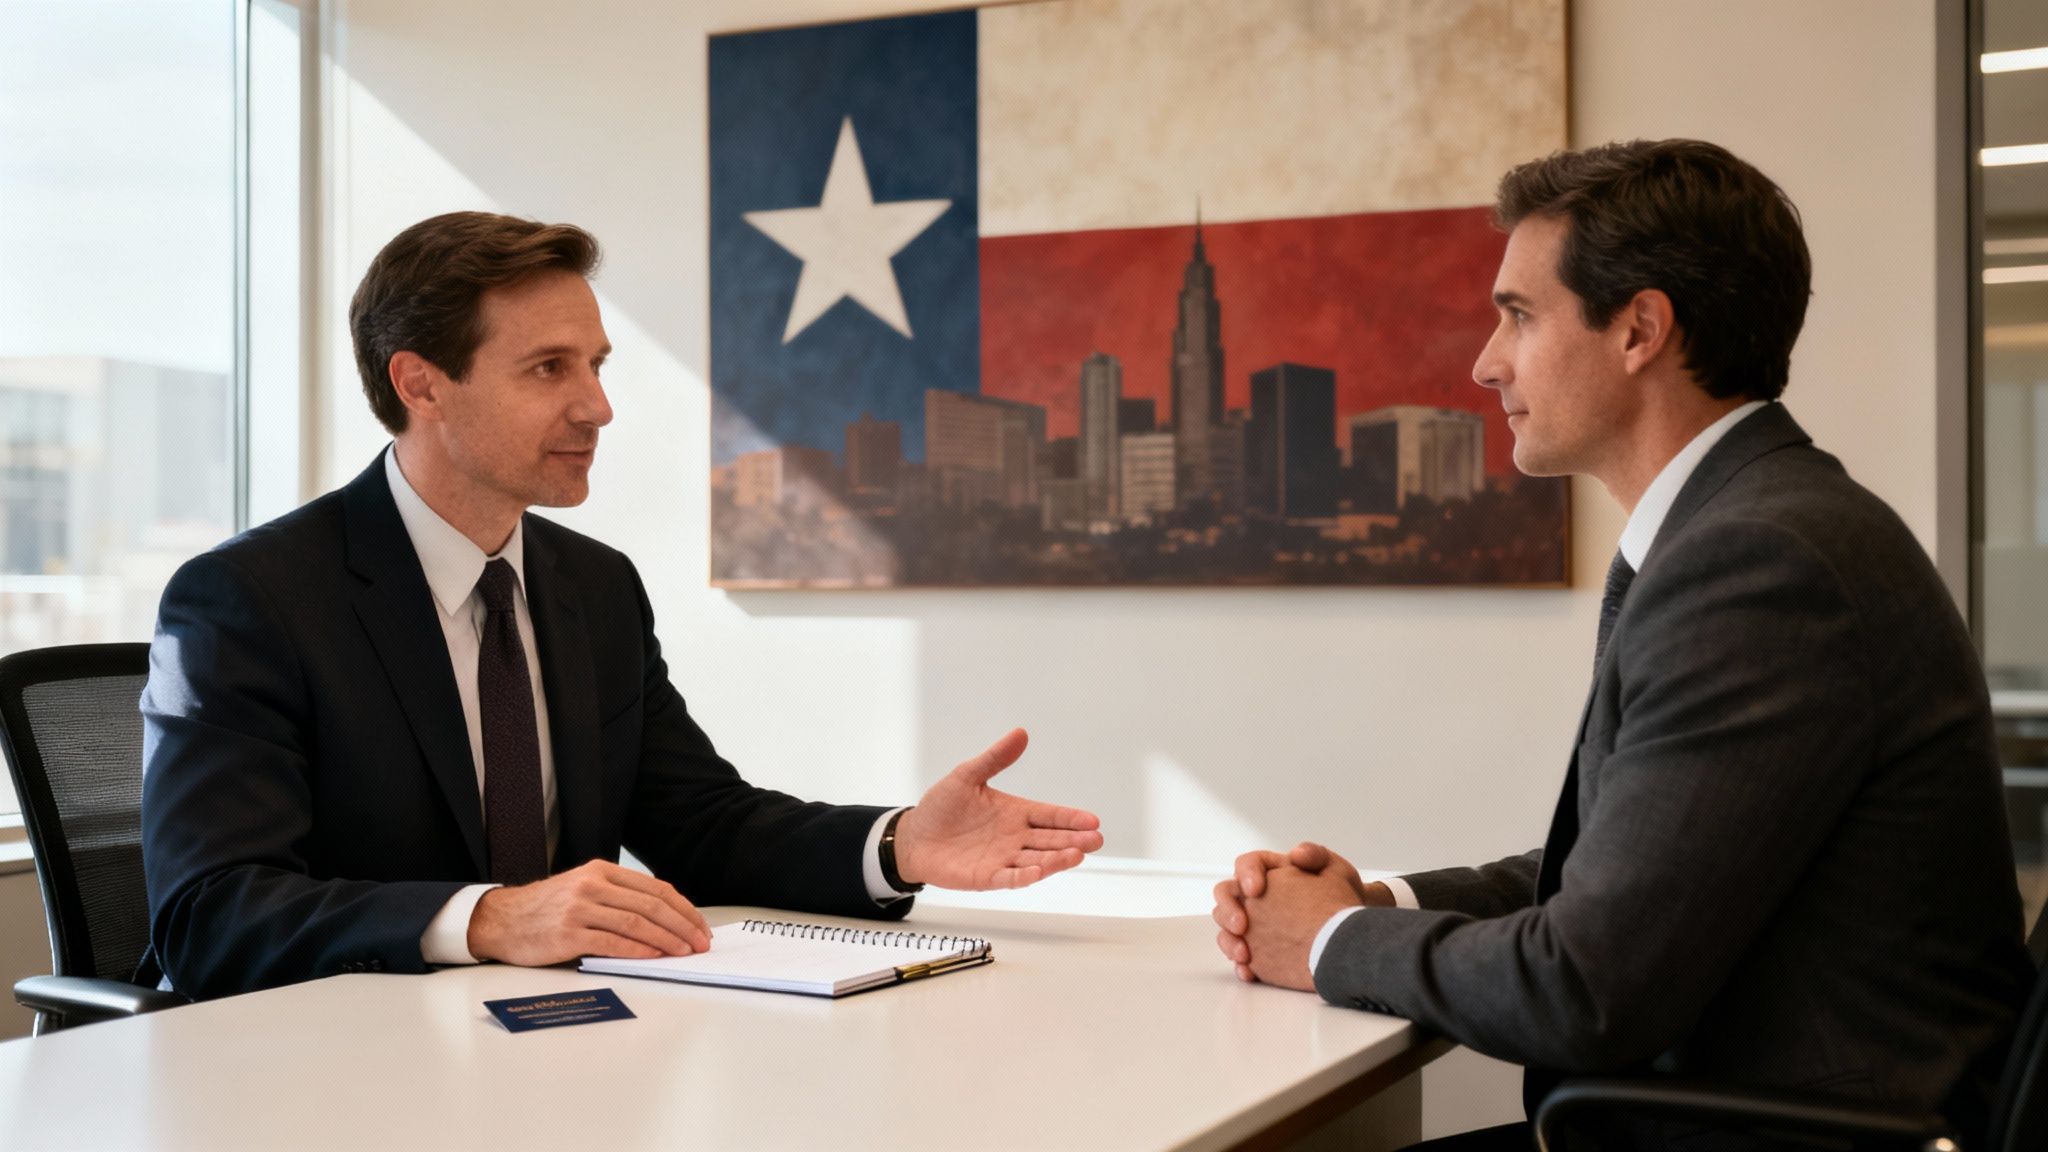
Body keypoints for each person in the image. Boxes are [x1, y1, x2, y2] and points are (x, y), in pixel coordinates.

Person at [1210, 140, 2032, 1148]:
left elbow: (1583, 990)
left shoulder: (1758, 564)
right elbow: (1619, 871)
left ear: (1639, 328)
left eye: (1516, 314)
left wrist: (1331, 941)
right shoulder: (1749, 528)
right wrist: (1380, 898)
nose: (1484, 361)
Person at [142, 211, 1103, 1000]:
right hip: (329, 1072)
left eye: (598, 365)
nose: (598, 407)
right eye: (549, 368)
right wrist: (486, 916)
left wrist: (897, 846)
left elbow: (703, 825)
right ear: (420, 382)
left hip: (561, 1052)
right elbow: (212, 911)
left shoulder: (593, 587)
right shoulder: (249, 599)